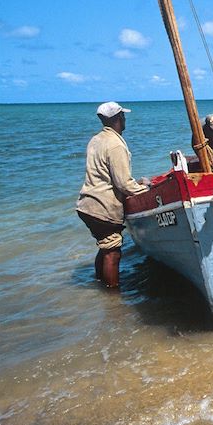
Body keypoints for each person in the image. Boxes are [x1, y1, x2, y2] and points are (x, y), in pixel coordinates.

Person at [76, 102, 150, 287]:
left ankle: (100, 283)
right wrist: (146, 189)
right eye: (123, 116)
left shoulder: (96, 140)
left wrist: (136, 182)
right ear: (118, 118)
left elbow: (104, 174)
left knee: (104, 246)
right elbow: (124, 184)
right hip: (103, 207)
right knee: (113, 252)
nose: (124, 120)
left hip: (87, 204)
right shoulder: (115, 144)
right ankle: (113, 298)